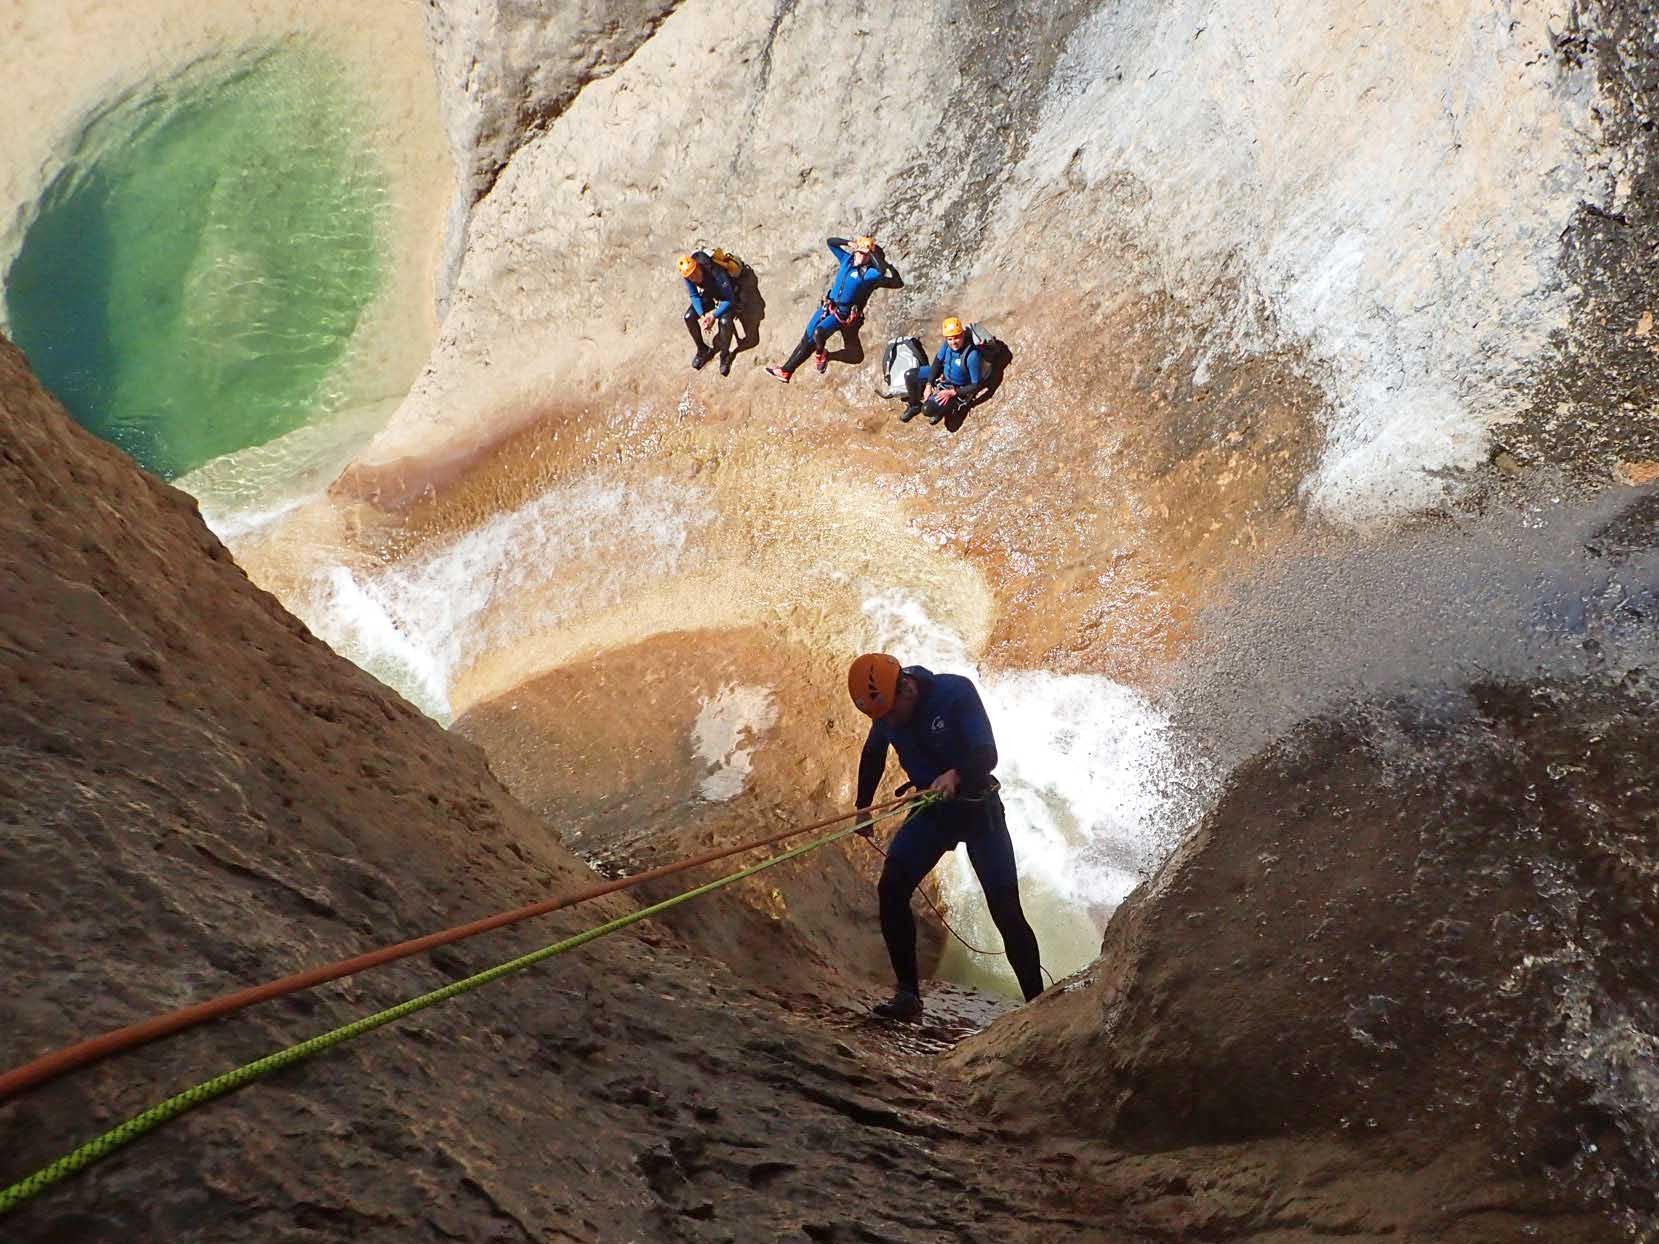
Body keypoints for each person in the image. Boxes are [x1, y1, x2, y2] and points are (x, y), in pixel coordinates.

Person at [847, 653, 1045, 1020]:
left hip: (977, 809)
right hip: (934, 813)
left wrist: (957, 773)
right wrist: (863, 806)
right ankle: (908, 996)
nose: (888, 722)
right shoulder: (887, 709)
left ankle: (1038, 1005)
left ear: (907, 687)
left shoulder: (954, 692)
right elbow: (873, 753)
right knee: (891, 888)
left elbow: (987, 753)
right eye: (881, 718)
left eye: (890, 713)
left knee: (1006, 911)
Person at [766, 235, 893, 382]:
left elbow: (882, 270)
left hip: (841, 314)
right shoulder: (847, 260)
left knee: (819, 333)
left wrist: (869, 252)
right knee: (806, 340)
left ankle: (821, 355)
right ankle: (785, 371)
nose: (860, 256)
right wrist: (849, 243)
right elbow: (831, 242)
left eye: (863, 255)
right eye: (858, 252)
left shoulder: (867, 274)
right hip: (828, 307)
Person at [900, 316, 988, 424]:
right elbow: (937, 362)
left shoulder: (972, 355)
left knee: (927, 409)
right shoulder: (947, 344)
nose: (953, 342)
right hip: (943, 374)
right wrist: (929, 384)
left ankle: (942, 409)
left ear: (962, 335)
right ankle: (914, 405)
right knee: (909, 375)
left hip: (956, 388)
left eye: (956, 338)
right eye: (950, 339)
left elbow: (976, 385)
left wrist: (952, 392)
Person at [679, 252, 738, 376]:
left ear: (698, 267)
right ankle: (702, 350)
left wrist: (714, 316)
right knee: (689, 317)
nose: (693, 277)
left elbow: (730, 299)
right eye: (690, 276)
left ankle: (725, 355)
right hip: (710, 293)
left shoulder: (714, 270)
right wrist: (702, 316)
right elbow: (694, 295)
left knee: (725, 322)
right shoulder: (688, 275)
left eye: (695, 272)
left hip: (726, 295)